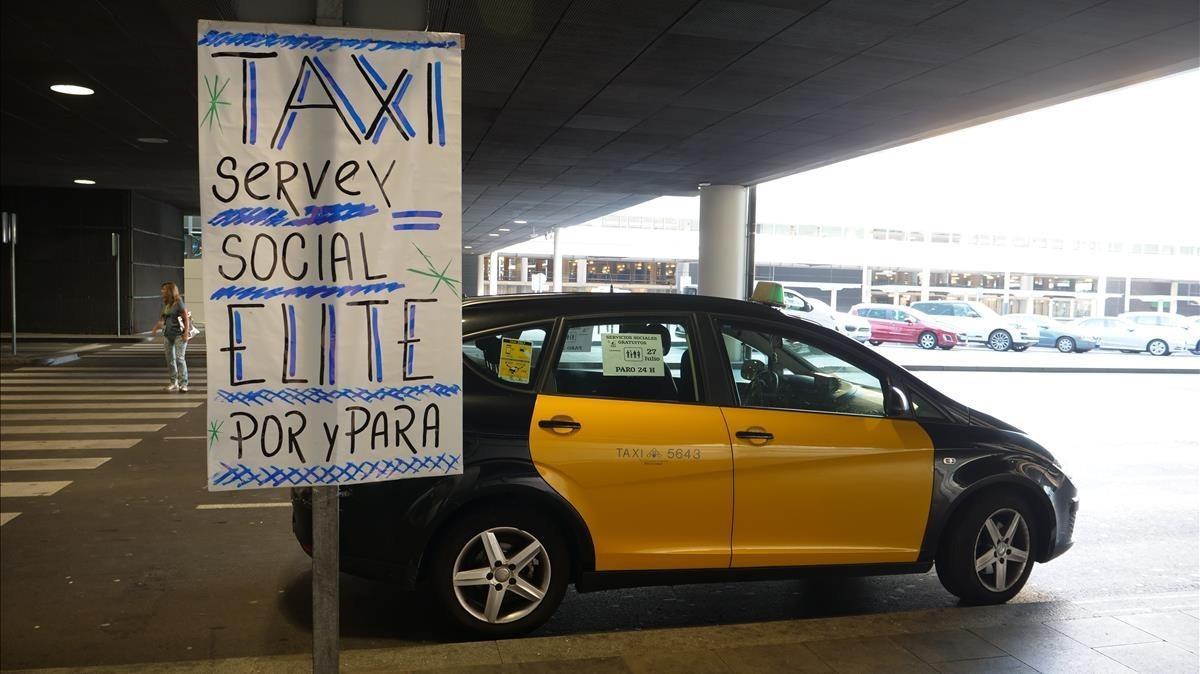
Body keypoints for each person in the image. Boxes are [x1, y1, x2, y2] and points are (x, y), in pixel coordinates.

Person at [151, 282, 191, 392]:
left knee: (180, 359)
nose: (162, 292)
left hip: (179, 335)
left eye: (164, 290)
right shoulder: (167, 303)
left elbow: (186, 318)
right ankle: (174, 383)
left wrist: (186, 333)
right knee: (170, 360)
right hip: (168, 334)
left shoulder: (179, 303)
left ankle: (184, 384)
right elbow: (163, 318)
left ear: (170, 290)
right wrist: (156, 327)